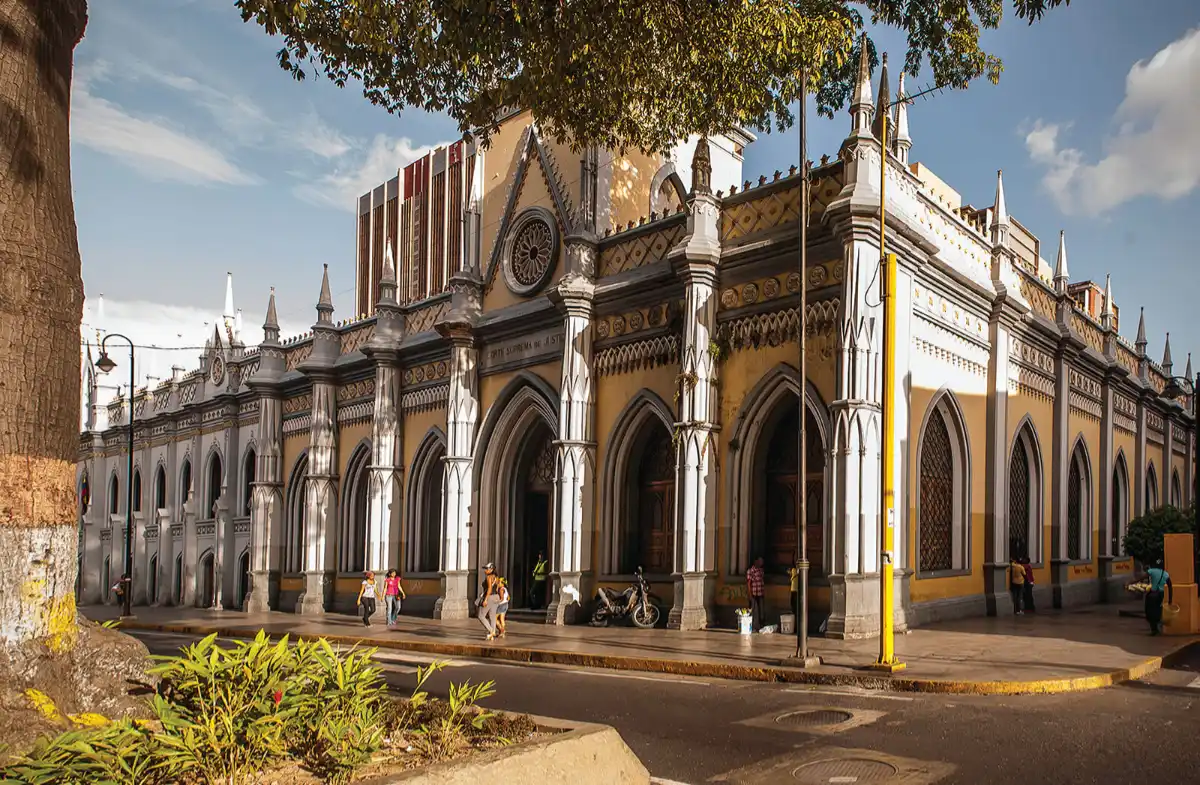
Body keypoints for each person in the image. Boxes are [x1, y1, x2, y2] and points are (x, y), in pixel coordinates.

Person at [1146, 559, 1174, 636]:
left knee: (1149, 611)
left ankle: (1154, 629)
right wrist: (1170, 599)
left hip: (1152, 594)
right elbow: (1170, 586)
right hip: (1160, 595)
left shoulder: (1152, 571)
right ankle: (1157, 626)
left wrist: (1131, 582)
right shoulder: (1166, 574)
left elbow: (1141, 577)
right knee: (1157, 610)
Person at [478, 562, 502, 641]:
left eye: (487, 569)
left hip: (490, 597)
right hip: (496, 597)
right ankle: (492, 633)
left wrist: (485, 599)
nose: (485, 570)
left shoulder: (489, 577)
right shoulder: (496, 578)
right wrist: (500, 597)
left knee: (481, 615)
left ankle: (491, 631)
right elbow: (499, 588)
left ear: (491, 569)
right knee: (492, 616)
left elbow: (489, 589)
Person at [746, 556, 765, 633]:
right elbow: (748, 583)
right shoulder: (750, 571)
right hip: (754, 593)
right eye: (759, 561)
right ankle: (753, 626)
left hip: (760, 593)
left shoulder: (761, 570)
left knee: (761, 610)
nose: (761, 563)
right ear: (755, 561)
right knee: (754, 610)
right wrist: (750, 594)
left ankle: (760, 625)